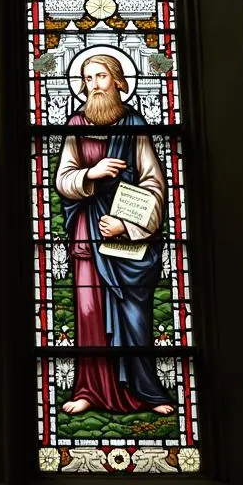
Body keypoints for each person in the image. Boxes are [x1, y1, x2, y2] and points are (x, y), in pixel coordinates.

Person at [54, 53, 175, 415]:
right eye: (88, 78)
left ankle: (144, 392)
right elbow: (63, 179)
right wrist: (92, 174)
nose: (94, 84)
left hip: (127, 234)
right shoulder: (76, 123)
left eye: (101, 76)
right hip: (88, 233)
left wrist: (127, 225)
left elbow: (154, 182)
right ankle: (89, 390)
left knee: (134, 313)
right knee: (89, 312)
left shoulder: (135, 124)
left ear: (119, 81)